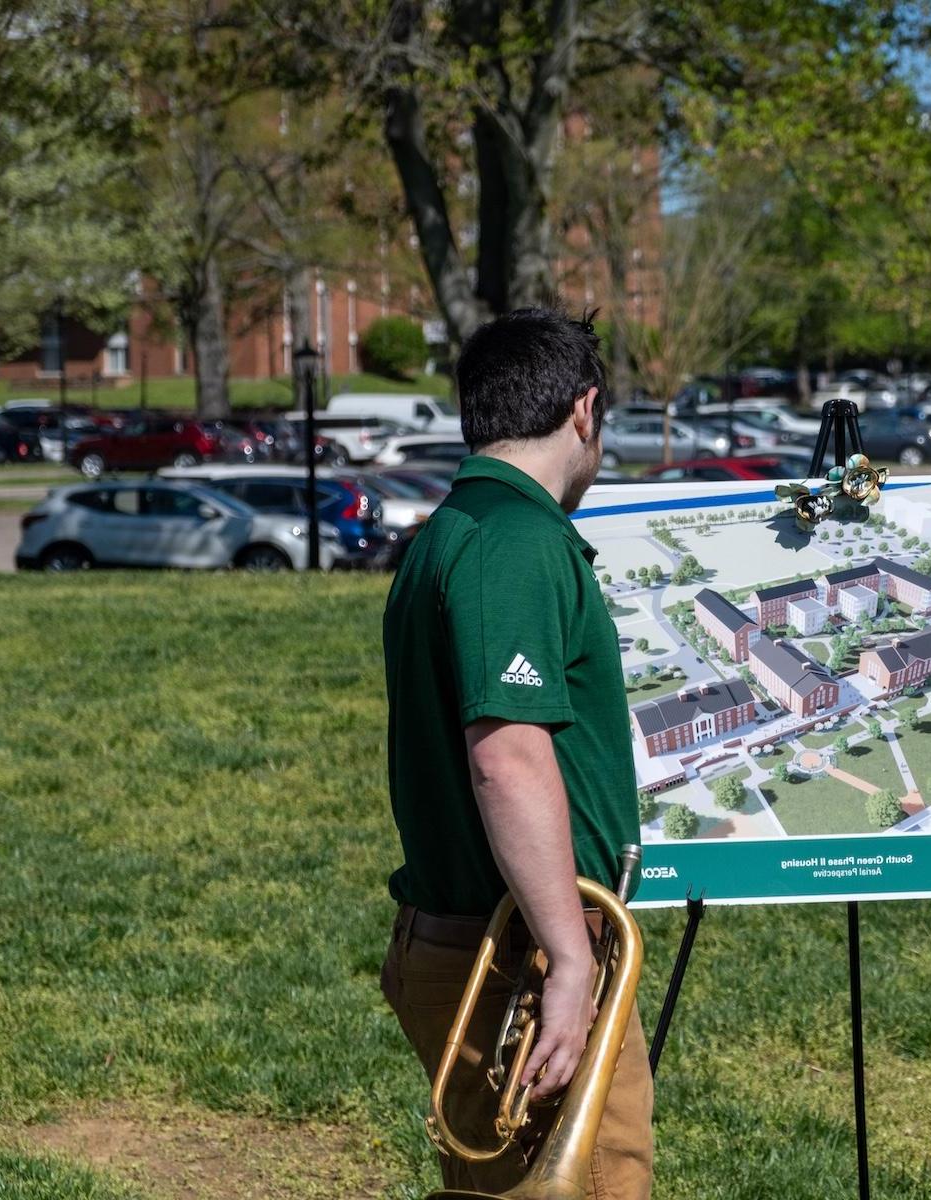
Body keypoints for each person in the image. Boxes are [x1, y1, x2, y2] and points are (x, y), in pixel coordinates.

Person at [379, 307, 651, 1198]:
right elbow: (508, 756)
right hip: (522, 958)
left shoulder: (458, 530)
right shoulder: (514, 542)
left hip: (498, 945)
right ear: (585, 409)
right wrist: (570, 961)